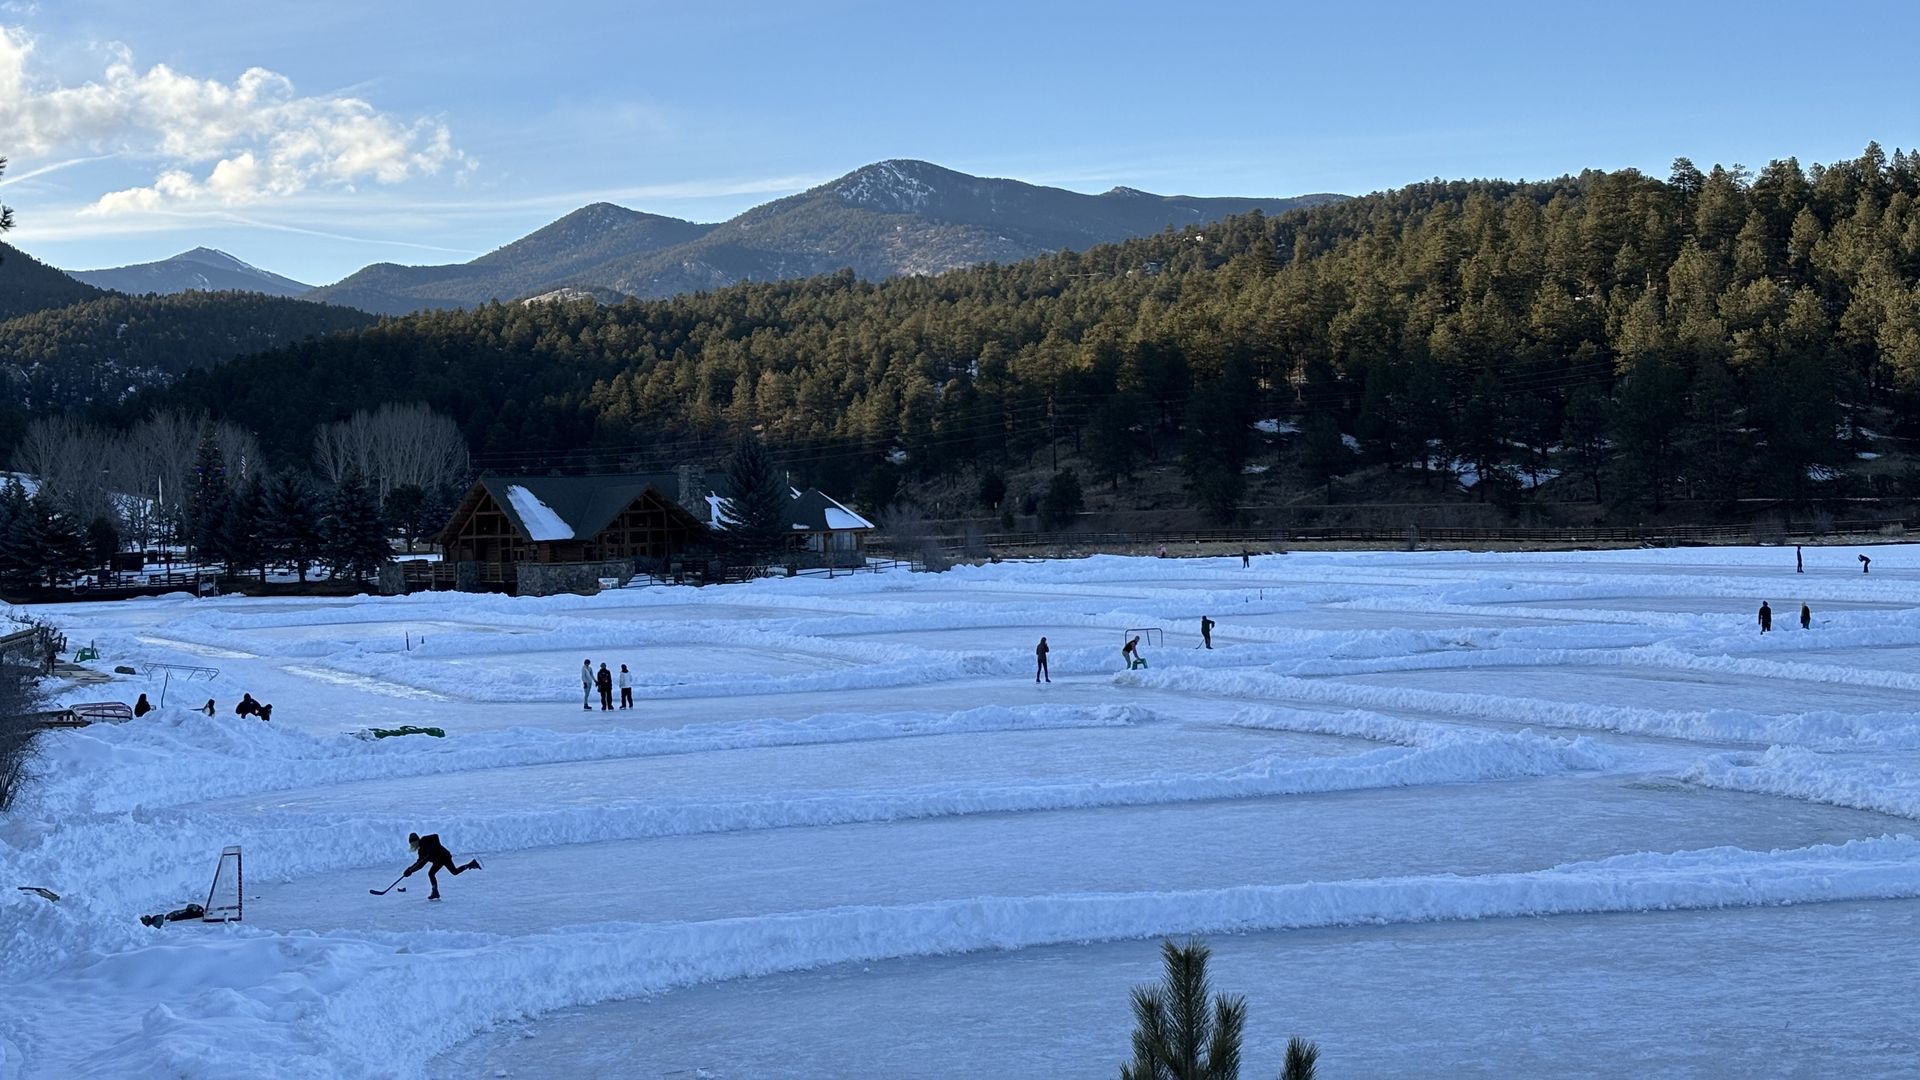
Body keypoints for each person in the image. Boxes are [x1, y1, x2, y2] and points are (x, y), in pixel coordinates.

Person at [400, 831, 481, 901]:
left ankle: (471, 864)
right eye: (411, 843)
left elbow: (435, 836)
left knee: (455, 872)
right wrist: (410, 870)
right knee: (431, 873)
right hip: (437, 861)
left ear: (417, 840)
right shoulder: (421, 852)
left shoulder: (425, 839)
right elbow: (419, 864)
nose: (413, 845)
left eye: (413, 842)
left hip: (444, 857)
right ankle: (435, 892)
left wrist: (432, 848)